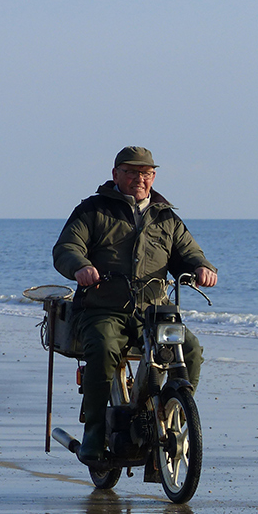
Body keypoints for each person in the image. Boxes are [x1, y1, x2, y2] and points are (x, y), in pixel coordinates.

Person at [53, 146, 218, 464]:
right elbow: (66, 247)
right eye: (130, 172)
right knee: (102, 350)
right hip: (102, 308)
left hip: (153, 311)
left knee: (192, 350)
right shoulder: (94, 210)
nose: (138, 179)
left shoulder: (166, 217)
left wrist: (201, 268)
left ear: (153, 177)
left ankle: (172, 416)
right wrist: (79, 267)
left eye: (144, 173)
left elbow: (189, 252)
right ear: (116, 175)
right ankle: (95, 433)